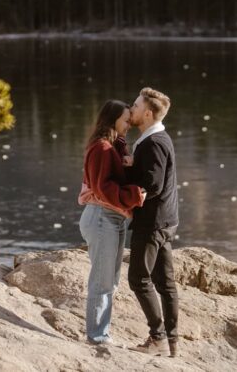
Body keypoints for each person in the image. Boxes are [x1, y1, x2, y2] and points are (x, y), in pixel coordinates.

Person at [77, 99, 145, 345]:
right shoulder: (102, 149)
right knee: (102, 280)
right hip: (101, 217)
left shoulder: (113, 147)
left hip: (113, 218)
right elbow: (102, 187)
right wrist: (134, 196)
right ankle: (97, 336)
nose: (129, 124)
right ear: (113, 119)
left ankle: (101, 332)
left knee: (111, 280)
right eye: (126, 120)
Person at [123, 87, 179, 358]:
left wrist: (127, 171)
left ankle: (158, 338)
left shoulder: (153, 142)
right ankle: (173, 341)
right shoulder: (160, 138)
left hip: (152, 223)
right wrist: (135, 163)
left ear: (147, 112)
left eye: (134, 105)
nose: (130, 109)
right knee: (165, 282)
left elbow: (152, 184)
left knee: (138, 279)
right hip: (167, 220)